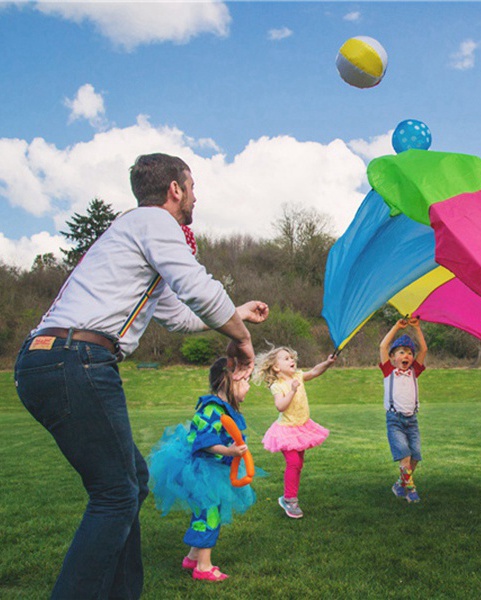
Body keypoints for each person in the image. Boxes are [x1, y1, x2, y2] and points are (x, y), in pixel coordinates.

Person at [14, 153, 269, 599]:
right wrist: (242, 338)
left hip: (48, 360)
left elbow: (178, 315)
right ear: (176, 188)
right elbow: (197, 287)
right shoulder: (154, 223)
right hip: (77, 359)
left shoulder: (132, 235)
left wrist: (236, 312)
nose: (195, 195)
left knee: (130, 483)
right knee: (115, 494)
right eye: (192, 185)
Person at [148, 357, 259, 582]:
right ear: (229, 380)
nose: (249, 386)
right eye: (245, 380)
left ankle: (192, 557)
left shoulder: (224, 408)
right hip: (202, 472)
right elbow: (205, 442)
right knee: (210, 514)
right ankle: (203, 567)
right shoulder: (212, 409)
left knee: (204, 511)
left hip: (212, 468)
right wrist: (229, 451)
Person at [254, 347, 336, 518]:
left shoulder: (298, 376)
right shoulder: (278, 385)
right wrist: (292, 390)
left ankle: (290, 497)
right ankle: (290, 499)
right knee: (293, 463)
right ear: (276, 367)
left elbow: (314, 372)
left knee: (298, 464)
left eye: (292, 357)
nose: (292, 360)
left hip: (302, 428)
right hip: (286, 431)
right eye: (286, 358)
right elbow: (280, 406)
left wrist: (327, 363)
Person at [379, 317, 428, 503]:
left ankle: (400, 484)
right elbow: (383, 346)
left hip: (412, 420)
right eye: (401, 352)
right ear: (393, 357)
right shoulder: (388, 371)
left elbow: (424, 349)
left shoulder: (415, 371)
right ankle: (411, 489)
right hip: (395, 420)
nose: (406, 356)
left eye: (409, 353)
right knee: (405, 457)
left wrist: (416, 328)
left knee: (415, 456)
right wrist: (396, 326)